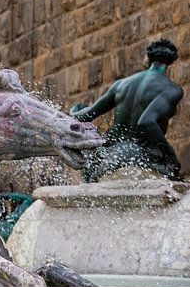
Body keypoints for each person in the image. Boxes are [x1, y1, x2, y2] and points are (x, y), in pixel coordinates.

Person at [70, 39, 184, 182]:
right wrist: (170, 154)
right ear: (171, 61)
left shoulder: (122, 84)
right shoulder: (171, 89)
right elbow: (146, 122)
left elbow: (86, 115)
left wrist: (74, 110)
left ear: (148, 58)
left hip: (108, 156)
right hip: (139, 156)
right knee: (177, 182)